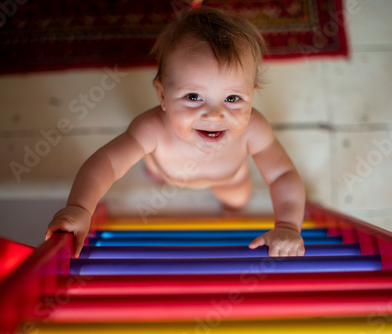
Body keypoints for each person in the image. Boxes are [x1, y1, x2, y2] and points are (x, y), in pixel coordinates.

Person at [45, 7, 305, 258]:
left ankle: (230, 209)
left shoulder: (254, 129)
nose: (215, 115)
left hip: (230, 178)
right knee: (155, 167)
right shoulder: (151, 129)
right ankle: (156, 172)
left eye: (233, 98)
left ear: (252, 97)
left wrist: (288, 225)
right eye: (193, 96)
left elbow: (282, 174)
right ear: (163, 96)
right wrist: (79, 207)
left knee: (236, 200)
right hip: (166, 170)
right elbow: (108, 164)